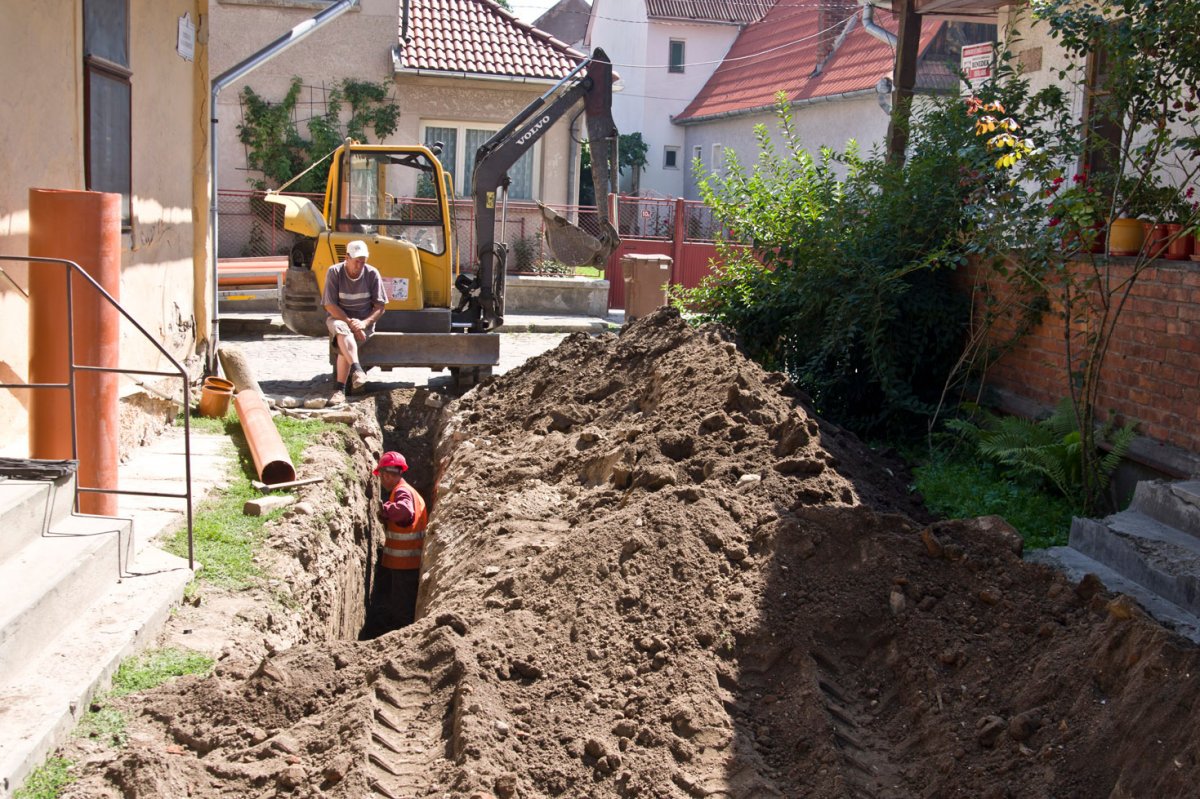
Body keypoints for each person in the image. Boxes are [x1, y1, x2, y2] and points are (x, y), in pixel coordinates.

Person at [322, 239, 386, 404]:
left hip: (363, 322)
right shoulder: (334, 272)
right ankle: (357, 370)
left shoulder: (372, 273)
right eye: (357, 261)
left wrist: (364, 323)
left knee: (344, 340)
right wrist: (351, 323)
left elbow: (380, 306)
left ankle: (339, 390)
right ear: (347, 257)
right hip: (339, 318)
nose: (360, 265)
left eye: (363, 262)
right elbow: (330, 305)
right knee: (343, 330)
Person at [374, 450, 427, 628]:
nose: (381, 480)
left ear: (387, 474)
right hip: (407, 563)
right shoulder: (407, 491)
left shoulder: (402, 491)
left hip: (405, 564)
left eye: (381, 475)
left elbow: (404, 512)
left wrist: (385, 509)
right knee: (400, 605)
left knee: (401, 609)